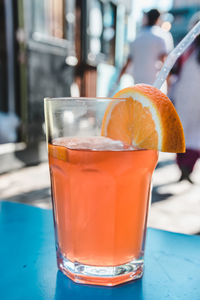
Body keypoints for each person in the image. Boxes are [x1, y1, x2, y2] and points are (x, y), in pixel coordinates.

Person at [170, 13, 200, 183]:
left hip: (184, 94)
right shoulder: (189, 49)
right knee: (196, 133)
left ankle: (183, 166)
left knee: (182, 131)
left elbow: (176, 70)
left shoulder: (187, 48)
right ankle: (188, 167)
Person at [118, 9, 174, 85]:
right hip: (155, 82)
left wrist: (118, 79)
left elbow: (128, 61)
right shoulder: (162, 37)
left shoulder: (136, 38)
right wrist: (169, 83)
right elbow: (165, 62)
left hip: (138, 81)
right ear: (158, 19)